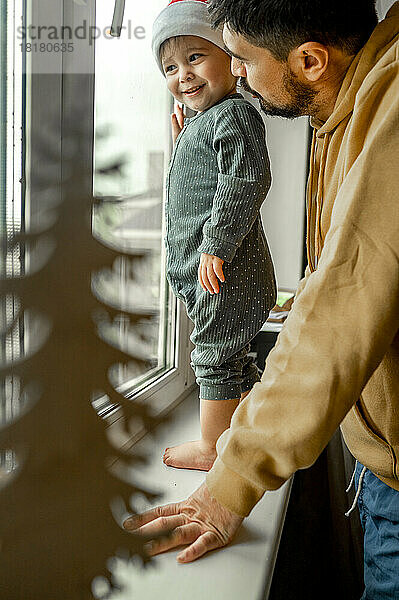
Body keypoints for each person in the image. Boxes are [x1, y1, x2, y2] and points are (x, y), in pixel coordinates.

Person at [124, 1, 399, 597]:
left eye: (242, 60)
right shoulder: (347, 109)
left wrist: (229, 484)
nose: (238, 76)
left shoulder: (390, 115)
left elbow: (344, 307)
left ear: (309, 61)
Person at [151, 0, 276, 471]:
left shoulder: (234, 115)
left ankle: (211, 449)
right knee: (234, 355)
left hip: (224, 271)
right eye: (170, 67)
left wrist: (216, 244)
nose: (183, 75)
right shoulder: (206, 121)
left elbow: (244, 180)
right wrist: (186, 138)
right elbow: (198, 185)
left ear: (232, 59)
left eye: (195, 57)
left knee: (216, 355)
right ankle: (241, 427)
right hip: (214, 274)